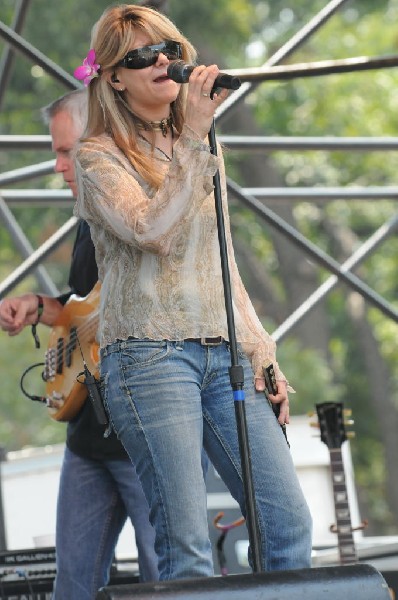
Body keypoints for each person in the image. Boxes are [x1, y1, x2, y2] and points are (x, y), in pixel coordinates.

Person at [73, 3, 313, 581]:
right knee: (188, 547)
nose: (161, 60)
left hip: (223, 354)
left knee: (288, 524)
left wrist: (262, 352)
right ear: (114, 77)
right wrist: (197, 137)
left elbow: (221, 262)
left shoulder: (200, 146)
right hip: (150, 360)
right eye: (141, 54)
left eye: (170, 49)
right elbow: (151, 230)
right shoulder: (95, 156)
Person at [0, 88, 158, 599]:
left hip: (147, 436)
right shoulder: (88, 220)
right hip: (89, 436)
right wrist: (40, 308)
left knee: (172, 579)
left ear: (103, 142)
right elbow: (86, 304)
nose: (58, 165)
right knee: (72, 585)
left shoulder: (147, 212)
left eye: (67, 151)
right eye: (56, 152)